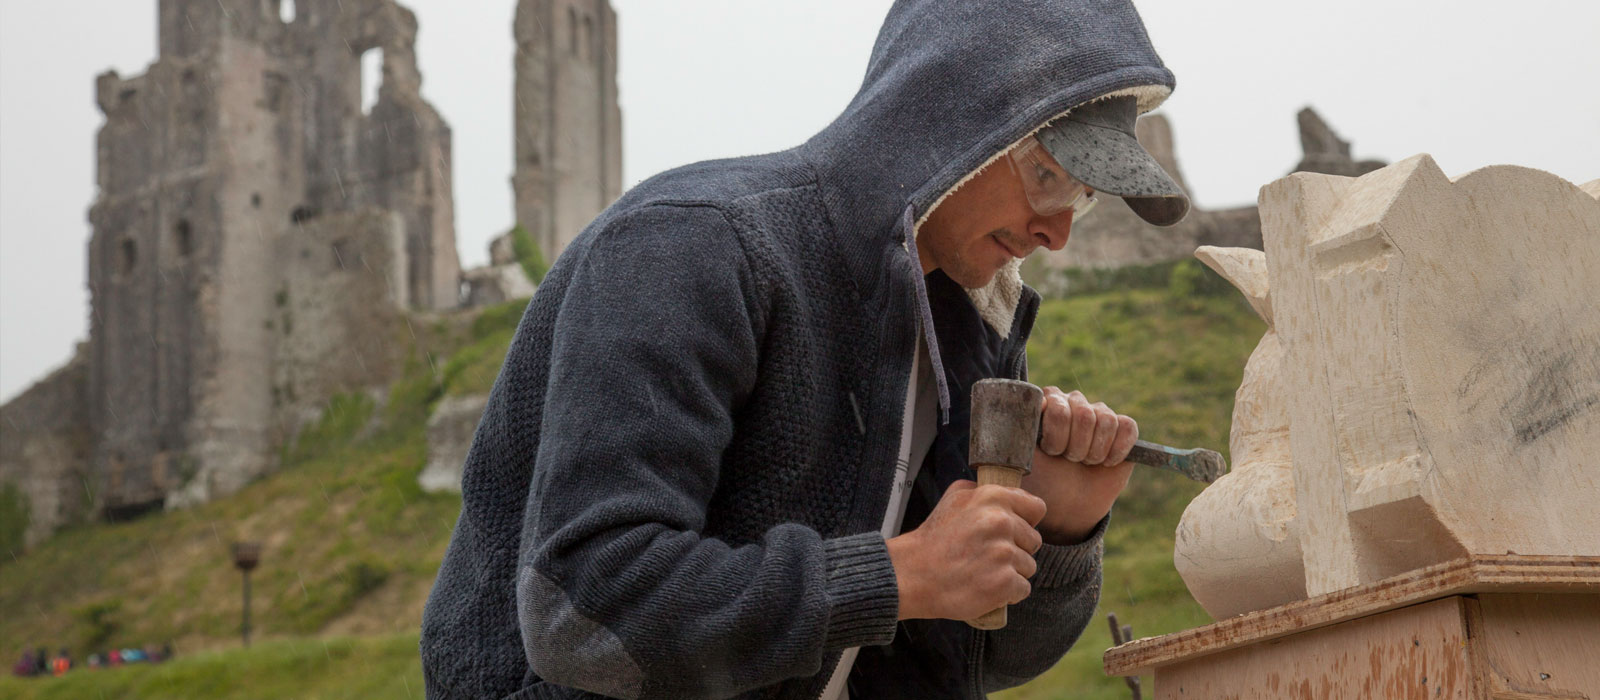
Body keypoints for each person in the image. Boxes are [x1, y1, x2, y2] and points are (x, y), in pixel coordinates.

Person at [420, 0, 1189, 697]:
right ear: (950, 119)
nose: (1058, 231)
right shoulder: (687, 245)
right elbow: (586, 613)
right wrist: (896, 574)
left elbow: (965, 659)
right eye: (1049, 176)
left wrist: (1061, 531)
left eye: (1083, 196)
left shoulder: (967, 328)